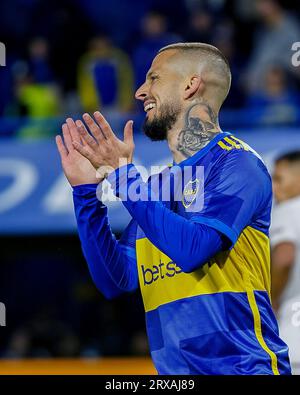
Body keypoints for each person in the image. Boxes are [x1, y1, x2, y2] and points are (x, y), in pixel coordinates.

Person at [56, 42, 291, 375]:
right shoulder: (154, 188)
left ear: (190, 85)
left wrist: (123, 175)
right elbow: (117, 279)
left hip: (242, 368)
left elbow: (193, 249)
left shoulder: (236, 164)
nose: (140, 92)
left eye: (153, 78)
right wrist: (85, 195)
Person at [271, 151, 300, 374]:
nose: (273, 188)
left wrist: (270, 301)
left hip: (294, 332)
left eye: (279, 178)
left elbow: (284, 257)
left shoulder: (289, 210)